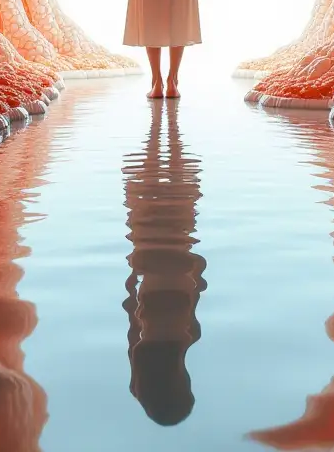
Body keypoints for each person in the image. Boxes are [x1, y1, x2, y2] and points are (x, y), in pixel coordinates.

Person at [122, 98, 206, 426]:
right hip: (147, 255)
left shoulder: (188, 335)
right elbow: (131, 306)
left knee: (179, 184)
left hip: (176, 253)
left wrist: (197, 260)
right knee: (148, 184)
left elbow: (197, 285)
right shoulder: (142, 348)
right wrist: (132, 266)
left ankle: (162, 135)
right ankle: (162, 135)